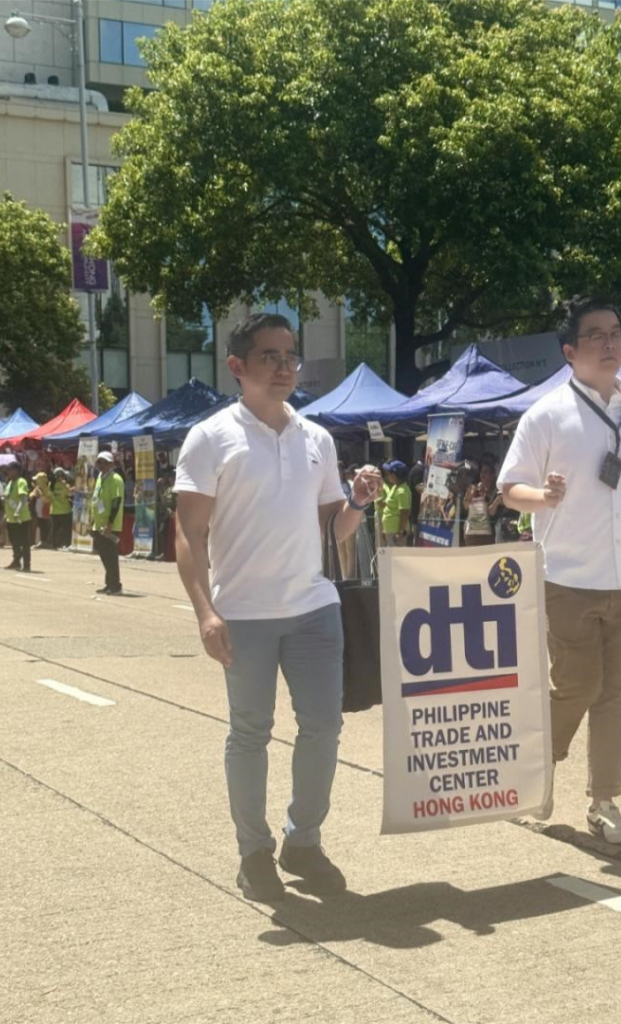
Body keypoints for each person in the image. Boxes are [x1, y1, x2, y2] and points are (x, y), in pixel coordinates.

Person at [174, 312, 382, 903]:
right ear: (236, 366)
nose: (284, 367)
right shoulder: (211, 437)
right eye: (269, 356)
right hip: (243, 612)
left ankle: (303, 841)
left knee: (324, 726)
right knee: (250, 732)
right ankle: (253, 851)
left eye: (291, 356)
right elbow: (188, 532)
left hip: (314, 608)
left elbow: (331, 530)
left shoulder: (316, 439)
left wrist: (357, 503)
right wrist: (205, 611)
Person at [498, 295, 621, 844]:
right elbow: (508, 489)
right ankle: (539, 768)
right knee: (577, 685)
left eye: (616, 333)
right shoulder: (546, 414)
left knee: (618, 691)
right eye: (596, 336)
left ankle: (604, 801)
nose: (610, 344)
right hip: (568, 577)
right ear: (570, 351)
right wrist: (542, 497)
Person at [91, 451, 125, 595]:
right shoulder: (100, 477)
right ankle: (109, 583)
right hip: (99, 523)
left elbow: (116, 502)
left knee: (111, 556)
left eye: (105, 462)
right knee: (104, 555)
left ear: (111, 464)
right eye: (99, 462)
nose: (101, 465)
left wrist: (110, 523)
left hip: (110, 524)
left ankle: (116, 585)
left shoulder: (115, 479)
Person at [3, 460, 32, 572]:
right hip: (11, 518)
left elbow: (23, 498)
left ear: (16, 471)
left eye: (10, 470)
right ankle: (16, 561)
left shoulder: (21, 481)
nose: (8, 472)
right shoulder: (10, 483)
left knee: (24, 542)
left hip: (21, 517)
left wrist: (18, 511)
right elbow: (8, 499)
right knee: (14, 541)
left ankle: (26, 565)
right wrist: (6, 514)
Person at [463, 463, 502, 546]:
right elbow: (466, 506)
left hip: (488, 533)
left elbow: (491, 512)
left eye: (485, 472)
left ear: (493, 475)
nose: (482, 474)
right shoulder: (474, 488)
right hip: (472, 532)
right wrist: (470, 495)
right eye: (481, 472)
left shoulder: (497, 490)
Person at [377, 460, 412, 546]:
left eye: (389, 473)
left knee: (397, 554)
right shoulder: (395, 487)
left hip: (396, 532)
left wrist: (400, 532)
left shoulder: (402, 491)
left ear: (394, 475)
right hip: (390, 530)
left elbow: (404, 513)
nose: (387, 476)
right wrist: (385, 529)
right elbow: (388, 507)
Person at [50, 468, 74, 549]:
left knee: (55, 529)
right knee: (67, 530)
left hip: (54, 511)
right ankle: (67, 545)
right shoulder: (64, 484)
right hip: (65, 510)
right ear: (60, 476)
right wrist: (75, 488)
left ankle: (54, 545)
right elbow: (70, 493)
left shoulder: (51, 485)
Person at [31, 471, 53, 548]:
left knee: (45, 526)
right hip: (39, 512)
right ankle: (42, 541)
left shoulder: (47, 489)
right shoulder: (37, 488)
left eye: (37, 480)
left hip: (45, 512)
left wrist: (41, 496)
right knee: (41, 526)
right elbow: (31, 496)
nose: (36, 481)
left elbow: (49, 500)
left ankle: (45, 542)